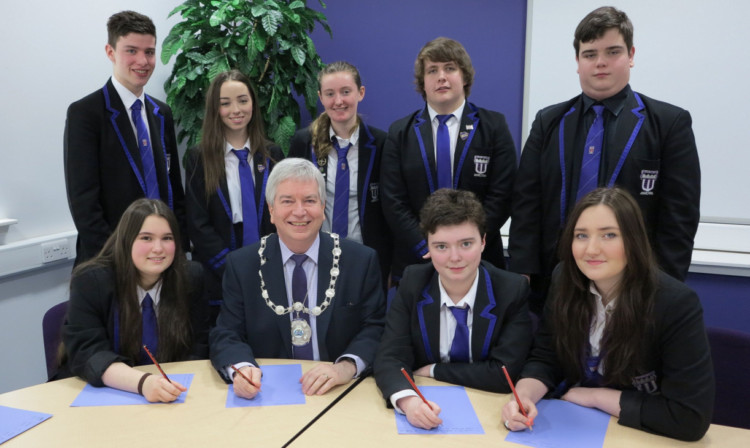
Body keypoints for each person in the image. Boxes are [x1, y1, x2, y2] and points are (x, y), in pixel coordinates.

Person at [509, 6, 701, 314]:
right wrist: (523, 274)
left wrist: (662, 286)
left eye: (612, 52)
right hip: (555, 283)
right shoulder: (549, 122)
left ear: (631, 55)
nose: (600, 62)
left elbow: (680, 216)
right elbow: (526, 203)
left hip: (634, 286)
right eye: (589, 54)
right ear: (577, 61)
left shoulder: (668, 123)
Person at [502, 188, 714, 441]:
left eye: (609, 235)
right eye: (581, 235)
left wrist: (595, 397)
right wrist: (523, 396)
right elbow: (547, 357)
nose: (591, 249)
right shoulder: (564, 279)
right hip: (572, 426)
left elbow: (689, 418)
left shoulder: (675, 302)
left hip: (638, 435)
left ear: (634, 240)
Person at [209, 158, 386, 398]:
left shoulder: (360, 261)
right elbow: (226, 333)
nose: (300, 211)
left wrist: (344, 368)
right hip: (267, 392)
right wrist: (242, 369)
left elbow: (376, 328)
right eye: (287, 201)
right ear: (271, 210)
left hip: (338, 392)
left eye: (310, 200)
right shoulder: (243, 264)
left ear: (323, 207)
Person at [375, 189, 531, 430]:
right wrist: (409, 402)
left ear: (484, 242)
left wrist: (435, 370)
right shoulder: (413, 282)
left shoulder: (511, 290)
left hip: (489, 413)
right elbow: (390, 357)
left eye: (466, 244)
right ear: (427, 247)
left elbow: (503, 374)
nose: (454, 257)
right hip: (428, 404)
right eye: (441, 246)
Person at [381, 37, 517, 280]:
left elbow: (503, 194)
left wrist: (467, 245)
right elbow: (393, 200)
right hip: (418, 260)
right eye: (432, 70)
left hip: (480, 261)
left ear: (464, 77)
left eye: (450, 68)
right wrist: (429, 246)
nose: (441, 76)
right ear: (423, 83)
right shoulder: (400, 132)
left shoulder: (493, 126)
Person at [64, 11, 187, 266]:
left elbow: (174, 190)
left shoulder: (161, 113)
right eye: (131, 50)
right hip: (110, 261)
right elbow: (85, 205)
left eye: (150, 52)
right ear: (111, 52)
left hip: (162, 258)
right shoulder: (86, 113)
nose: (143, 61)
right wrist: (119, 261)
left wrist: (178, 248)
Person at [61, 199, 208, 403]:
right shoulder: (91, 280)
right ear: (127, 240)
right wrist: (143, 383)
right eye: (146, 238)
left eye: (167, 238)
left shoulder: (191, 277)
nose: (158, 248)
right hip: (104, 394)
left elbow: (199, 344)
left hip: (171, 394)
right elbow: (88, 353)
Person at [185, 69, 284, 324]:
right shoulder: (199, 157)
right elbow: (197, 222)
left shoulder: (272, 153)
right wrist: (230, 268)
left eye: (242, 100)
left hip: (268, 262)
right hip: (219, 264)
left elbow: (282, 211)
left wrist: (268, 262)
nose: (236, 109)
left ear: (253, 102)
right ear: (214, 110)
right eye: (225, 103)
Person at [288, 61, 391, 289]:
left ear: (360, 93)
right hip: (315, 257)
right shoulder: (304, 143)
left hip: (367, 259)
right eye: (330, 94)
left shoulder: (382, 144)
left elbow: (391, 209)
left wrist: (393, 264)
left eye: (346, 92)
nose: (338, 101)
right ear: (320, 97)